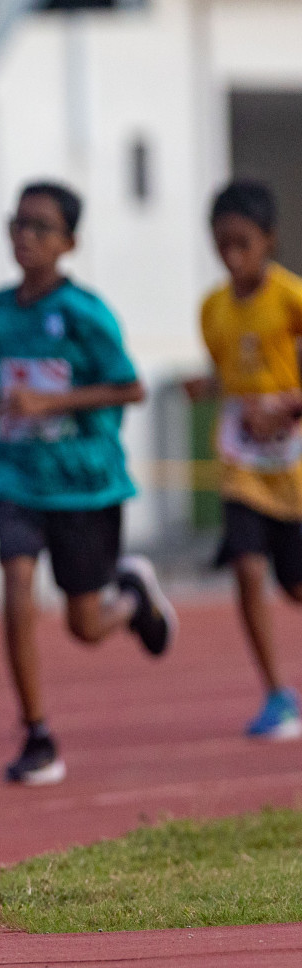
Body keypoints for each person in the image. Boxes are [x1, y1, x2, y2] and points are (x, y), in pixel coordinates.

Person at [0, 181, 176, 786]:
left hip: (85, 486)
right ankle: (37, 733)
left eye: (40, 227)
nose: (24, 236)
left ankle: (130, 598)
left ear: (69, 242)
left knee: (84, 627)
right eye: (17, 223)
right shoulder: (0, 307)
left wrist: (53, 402)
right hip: (18, 480)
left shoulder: (85, 313)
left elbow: (130, 386)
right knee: (17, 584)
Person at [184, 180, 302, 740]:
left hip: (294, 467)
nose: (231, 256)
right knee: (246, 568)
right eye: (221, 244)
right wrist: (205, 388)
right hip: (242, 465)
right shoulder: (211, 310)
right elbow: (229, 373)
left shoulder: (291, 299)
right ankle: (277, 694)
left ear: (268, 240)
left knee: (294, 585)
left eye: (242, 243)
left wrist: (288, 406)